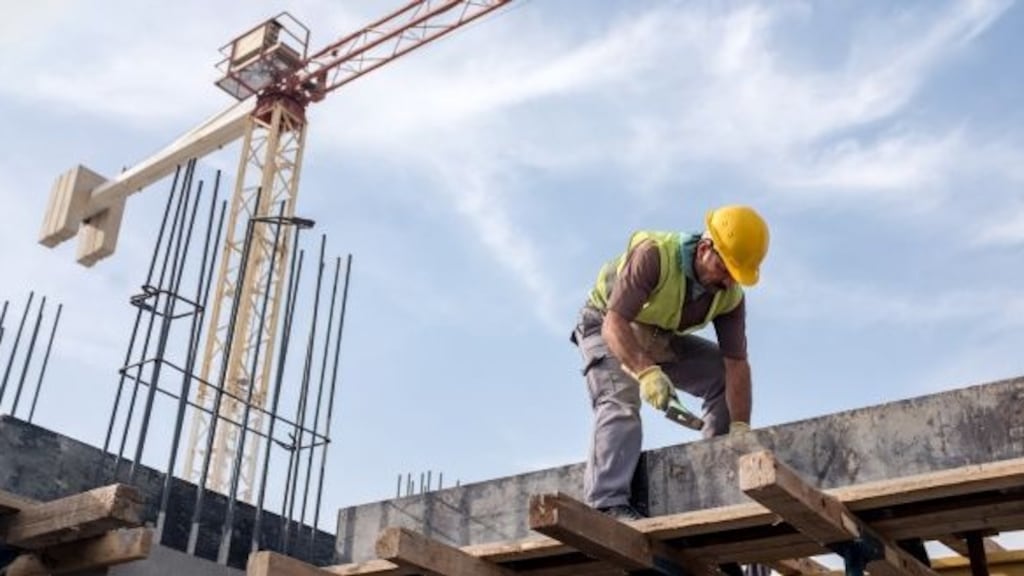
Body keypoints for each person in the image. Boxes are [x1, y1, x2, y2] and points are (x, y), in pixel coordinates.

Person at [571, 205, 770, 520]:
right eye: (727, 269)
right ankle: (607, 504)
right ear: (706, 248)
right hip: (605, 323)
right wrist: (646, 372)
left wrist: (741, 426)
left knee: (720, 376)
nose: (730, 281)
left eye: (736, 275)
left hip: (657, 335)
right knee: (620, 401)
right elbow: (615, 324)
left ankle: (718, 478)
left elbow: (736, 364)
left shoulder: (730, 297)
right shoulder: (654, 255)